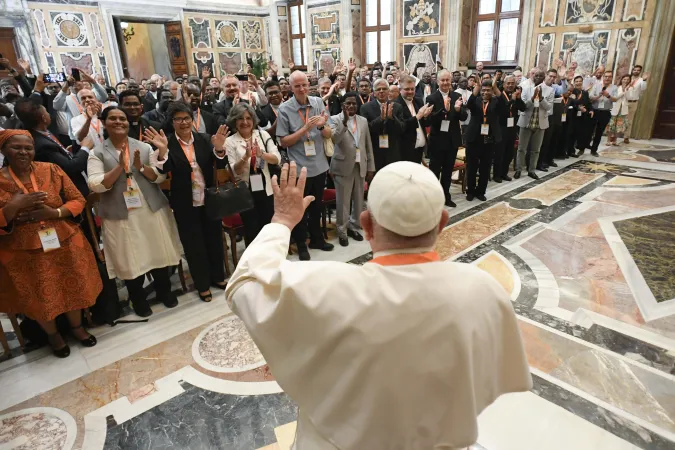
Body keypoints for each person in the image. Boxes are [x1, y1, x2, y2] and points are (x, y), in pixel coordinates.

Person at [225, 160, 532, 450]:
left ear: (367, 224)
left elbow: (244, 283)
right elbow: (485, 386)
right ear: (441, 223)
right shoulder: (483, 291)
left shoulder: (325, 288)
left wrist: (281, 222)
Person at [0, 130, 101, 358]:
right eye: (17, 147)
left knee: (73, 285)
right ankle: (53, 335)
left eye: (29, 147)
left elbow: (78, 200)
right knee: (38, 294)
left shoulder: (51, 169)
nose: (24, 152)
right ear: (4, 150)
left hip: (63, 240)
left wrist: (54, 212)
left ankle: (77, 328)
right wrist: (13, 206)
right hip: (23, 251)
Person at [87, 106, 182, 317]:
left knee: (157, 249)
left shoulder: (143, 147)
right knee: (129, 256)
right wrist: (119, 167)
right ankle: (138, 299)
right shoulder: (97, 152)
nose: (118, 122)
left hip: (149, 207)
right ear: (104, 123)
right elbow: (95, 184)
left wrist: (140, 167)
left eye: (122, 118)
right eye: (113, 118)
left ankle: (164, 291)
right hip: (120, 212)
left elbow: (159, 177)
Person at [146, 102, 229, 303]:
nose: (183, 122)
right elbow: (164, 170)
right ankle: (202, 284)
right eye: (178, 119)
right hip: (184, 202)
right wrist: (163, 152)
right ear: (172, 122)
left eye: (186, 118)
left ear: (192, 120)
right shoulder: (168, 143)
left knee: (214, 239)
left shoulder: (204, 139)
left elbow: (220, 164)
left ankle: (218, 277)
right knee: (193, 244)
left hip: (209, 197)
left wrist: (219, 150)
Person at [276, 70, 334, 260]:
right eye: (297, 86)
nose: (302, 89)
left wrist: (320, 126)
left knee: (317, 205)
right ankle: (301, 244)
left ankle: (317, 238)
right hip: (299, 167)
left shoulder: (318, 103)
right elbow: (284, 142)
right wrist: (305, 129)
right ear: (291, 88)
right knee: (300, 208)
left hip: (319, 164)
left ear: (309, 85)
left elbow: (329, 134)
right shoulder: (285, 109)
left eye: (304, 85)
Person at [225, 102, 281, 245]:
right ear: (234, 121)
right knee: (251, 229)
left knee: (268, 226)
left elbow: (276, 159)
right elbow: (231, 170)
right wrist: (245, 157)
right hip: (245, 191)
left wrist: (262, 154)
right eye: (240, 118)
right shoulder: (230, 141)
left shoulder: (262, 135)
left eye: (248, 118)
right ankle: (255, 261)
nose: (245, 122)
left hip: (265, 187)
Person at [14, 99, 92, 197]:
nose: (49, 114)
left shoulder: (41, 131)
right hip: (70, 193)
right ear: (44, 118)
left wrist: (64, 153)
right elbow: (71, 167)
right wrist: (85, 148)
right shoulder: (42, 145)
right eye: (46, 111)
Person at [328, 92, 375, 247]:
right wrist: (344, 121)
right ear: (343, 105)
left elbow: (367, 145)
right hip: (342, 166)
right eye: (348, 103)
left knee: (358, 199)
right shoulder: (335, 119)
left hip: (360, 164)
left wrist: (370, 166)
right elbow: (335, 139)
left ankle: (354, 226)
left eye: (354, 103)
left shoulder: (363, 121)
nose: (351, 106)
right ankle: (342, 230)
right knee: (343, 200)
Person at [426, 70, 467, 207]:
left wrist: (456, 110)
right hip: (437, 141)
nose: (445, 83)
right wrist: (445, 110)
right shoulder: (431, 98)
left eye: (447, 80)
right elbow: (431, 120)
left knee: (448, 171)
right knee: (434, 171)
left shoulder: (457, 96)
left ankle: (445, 196)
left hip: (452, 140)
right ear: (437, 81)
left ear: (451, 81)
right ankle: (432, 198)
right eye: (442, 80)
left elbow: (464, 117)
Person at [465, 80, 504, 201]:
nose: (485, 92)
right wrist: (475, 90)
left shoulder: (496, 102)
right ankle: (470, 191)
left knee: (485, 167)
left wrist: (496, 88)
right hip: (473, 138)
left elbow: (505, 105)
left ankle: (481, 191)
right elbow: (469, 104)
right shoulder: (475, 100)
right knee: (471, 166)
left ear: (491, 91)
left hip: (489, 139)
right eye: (483, 90)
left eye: (488, 90)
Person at [360, 79, 405, 171]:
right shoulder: (365, 108)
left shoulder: (397, 107)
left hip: (392, 151)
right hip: (374, 151)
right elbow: (366, 129)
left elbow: (401, 129)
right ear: (374, 93)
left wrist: (392, 118)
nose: (381, 91)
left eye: (384, 89)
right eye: (378, 89)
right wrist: (381, 119)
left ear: (388, 91)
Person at [514, 69, 552, 180]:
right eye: (536, 75)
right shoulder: (525, 89)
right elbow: (524, 106)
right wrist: (532, 98)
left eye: (541, 76)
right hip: (526, 122)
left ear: (544, 78)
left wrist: (541, 99)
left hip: (540, 124)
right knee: (521, 148)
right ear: (533, 76)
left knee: (536, 150)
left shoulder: (549, 90)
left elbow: (549, 107)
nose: (538, 78)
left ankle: (532, 170)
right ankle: (518, 170)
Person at [397, 76, 433, 164]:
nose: (410, 92)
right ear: (400, 90)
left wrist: (425, 116)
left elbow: (425, 124)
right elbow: (401, 127)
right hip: (405, 150)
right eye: (407, 89)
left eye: (412, 89)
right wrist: (418, 116)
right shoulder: (396, 105)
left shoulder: (418, 101)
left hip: (419, 148)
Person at [495, 76, 525, 182]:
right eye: (508, 83)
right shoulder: (500, 96)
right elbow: (504, 110)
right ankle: (497, 175)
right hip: (501, 127)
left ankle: (504, 173)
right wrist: (512, 100)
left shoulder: (515, 96)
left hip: (512, 128)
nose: (510, 85)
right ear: (504, 85)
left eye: (512, 83)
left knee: (509, 152)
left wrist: (519, 98)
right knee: (500, 152)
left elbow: (523, 108)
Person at [585, 70, 617, 157]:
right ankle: (583, 147)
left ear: (611, 78)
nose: (607, 78)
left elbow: (615, 99)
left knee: (599, 132)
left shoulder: (614, 88)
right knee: (589, 130)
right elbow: (590, 97)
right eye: (606, 76)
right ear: (603, 77)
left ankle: (594, 150)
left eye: (609, 76)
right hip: (595, 111)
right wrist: (598, 96)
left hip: (605, 112)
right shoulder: (596, 85)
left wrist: (608, 95)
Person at [567, 75, 593, 157]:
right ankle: (569, 150)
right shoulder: (572, 91)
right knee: (570, 134)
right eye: (576, 81)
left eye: (580, 81)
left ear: (582, 82)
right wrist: (578, 107)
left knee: (578, 133)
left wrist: (591, 110)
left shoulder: (585, 92)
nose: (578, 83)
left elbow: (588, 103)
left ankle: (575, 150)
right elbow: (571, 102)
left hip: (582, 116)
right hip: (572, 115)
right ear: (574, 83)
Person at [624, 65, 648, 143]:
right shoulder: (628, 78)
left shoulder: (641, 80)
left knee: (629, 121)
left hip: (633, 102)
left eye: (638, 70)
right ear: (632, 70)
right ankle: (614, 136)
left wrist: (644, 80)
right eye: (635, 70)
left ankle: (626, 137)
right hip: (624, 101)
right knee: (620, 119)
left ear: (640, 71)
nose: (636, 71)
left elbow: (643, 88)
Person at [607, 74, 632, 146]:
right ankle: (608, 140)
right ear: (621, 80)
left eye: (628, 79)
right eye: (624, 79)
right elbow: (615, 97)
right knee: (611, 125)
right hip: (614, 108)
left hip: (623, 109)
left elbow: (629, 98)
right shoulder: (616, 87)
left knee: (619, 125)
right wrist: (622, 92)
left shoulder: (630, 88)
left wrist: (626, 90)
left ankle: (615, 140)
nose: (626, 81)